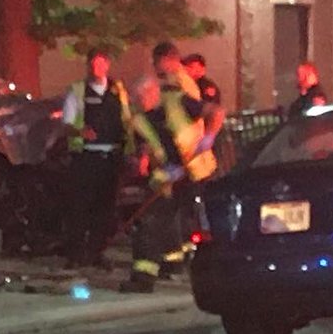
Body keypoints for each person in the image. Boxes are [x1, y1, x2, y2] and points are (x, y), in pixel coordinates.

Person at [121, 41, 224, 293]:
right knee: (151, 220)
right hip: (169, 174)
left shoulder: (178, 100)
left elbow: (217, 112)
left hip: (197, 170)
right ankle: (145, 276)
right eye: (137, 99)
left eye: (144, 97)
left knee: (200, 221)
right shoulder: (139, 119)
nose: (141, 102)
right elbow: (145, 147)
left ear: (154, 92)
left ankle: (204, 267)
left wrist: (209, 137)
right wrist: (148, 163)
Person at [61, 47, 133, 269]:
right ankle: (76, 254)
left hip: (111, 156)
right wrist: (79, 132)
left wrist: (130, 150)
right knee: (80, 206)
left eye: (101, 64)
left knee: (105, 208)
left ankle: (97, 252)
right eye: (93, 64)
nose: (97, 68)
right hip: (86, 157)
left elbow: (127, 120)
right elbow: (67, 123)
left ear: (108, 65)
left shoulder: (118, 90)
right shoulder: (78, 91)